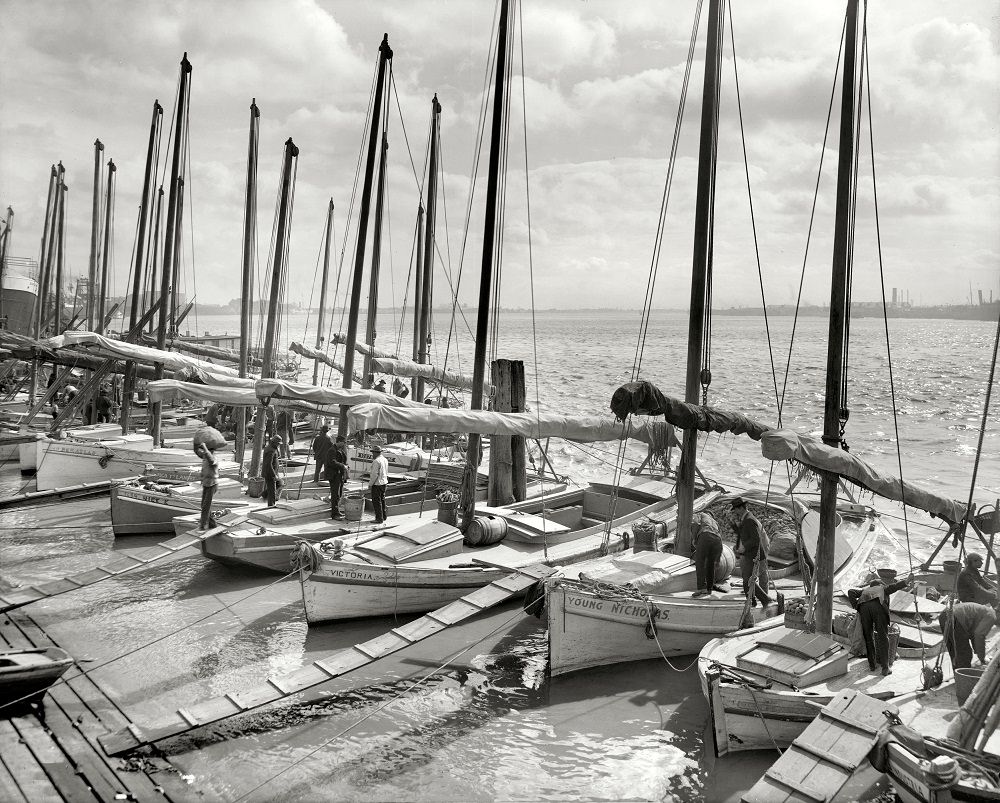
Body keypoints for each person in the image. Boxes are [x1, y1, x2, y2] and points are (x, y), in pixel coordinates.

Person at [848, 574, 912, 675]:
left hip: (864, 608)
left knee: (868, 637)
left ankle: (872, 665)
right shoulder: (882, 588)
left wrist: (856, 606)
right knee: (883, 636)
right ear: (880, 584)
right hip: (878, 607)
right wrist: (906, 581)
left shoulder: (864, 591)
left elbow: (850, 592)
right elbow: (894, 586)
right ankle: (885, 668)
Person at [731, 498, 773, 607]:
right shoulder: (746, 519)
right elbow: (745, 534)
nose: (735, 512)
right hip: (750, 554)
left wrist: (744, 547)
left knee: (748, 580)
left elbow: (755, 539)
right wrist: (735, 527)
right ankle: (754, 601)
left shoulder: (749, 520)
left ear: (740, 508)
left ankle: (762, 599)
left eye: (735, 509)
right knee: (748, 580)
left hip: (753, 555)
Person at [938, 601, 998, 669]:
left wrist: (978, 652)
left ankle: (958, 676)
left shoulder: (984, 611)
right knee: (965, 655)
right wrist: (982, 658)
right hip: (955, 618)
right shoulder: (992, 616)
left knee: (955, 654)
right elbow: (979, 636)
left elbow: (974, 634)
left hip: (944, 616)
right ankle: (963, 677)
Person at [691, 511, 726, 597]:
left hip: (705, 535)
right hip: (718, 540)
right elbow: (719, 535)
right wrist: (717, 559)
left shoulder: (701, 515)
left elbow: (695, 524)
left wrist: (695, 539)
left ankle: (702, 588)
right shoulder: (715, 522)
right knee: (711, 564)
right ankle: (709, 589)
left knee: (700, 563)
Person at [325, 435, 349, 519]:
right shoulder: (332, 450)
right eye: (344, 442)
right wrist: (343, 466)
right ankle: (334, 514)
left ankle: (337, 511)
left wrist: (345, 466)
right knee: (335, 495)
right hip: (334, 476)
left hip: (340, 475)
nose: (344, 444)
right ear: (339, 442)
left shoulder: (339, 450)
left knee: (339, 494)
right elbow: (332, 462)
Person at [196, 442, 219, 531]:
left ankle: (203, 525)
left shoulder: (214, 458)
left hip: (212, 484)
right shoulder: (205, 457)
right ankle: (212, 523)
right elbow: (198, 452)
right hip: (206, 484)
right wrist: (197, 445)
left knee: (206, 506)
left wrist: (205, 448)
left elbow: (211, 460)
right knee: (204, 505)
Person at [369, 444, 389, 524]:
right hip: (384, 482)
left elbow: (374, 475)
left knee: (376, 502)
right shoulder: (385, 459)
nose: (372, 454)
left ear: (376, 453)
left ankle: (379, 518)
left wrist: (370, 484)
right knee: (382, 500)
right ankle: (384, 516)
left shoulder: (376, 461)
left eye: (373, 453)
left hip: (377, 484)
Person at [262, 435, 282, 507]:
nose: (279, 445)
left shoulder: (273, 448)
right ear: (274, 443)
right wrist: (274, 475)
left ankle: (264, 494)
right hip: (269, 473)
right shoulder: (270, 450)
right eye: (278, 444)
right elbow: (268, 464)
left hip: (272, 472)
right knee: (272, 491)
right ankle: (271, 505)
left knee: (279, 483)